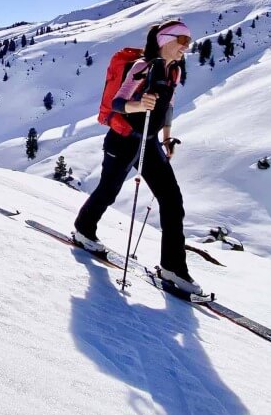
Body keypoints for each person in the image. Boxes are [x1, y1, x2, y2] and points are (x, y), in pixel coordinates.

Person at [73, 19, 202, 294]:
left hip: (150, 142)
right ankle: (83, 228)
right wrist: (138, 104)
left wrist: (167, 136)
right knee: (108, 191)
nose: (186, 48)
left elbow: (168, 106)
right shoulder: (142, 66)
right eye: (182, 41)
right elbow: (119, 102)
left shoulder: (174, 71)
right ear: (165, 40)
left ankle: (173, 267)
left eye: (188, 42)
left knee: (172, 199)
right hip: (123, 140)